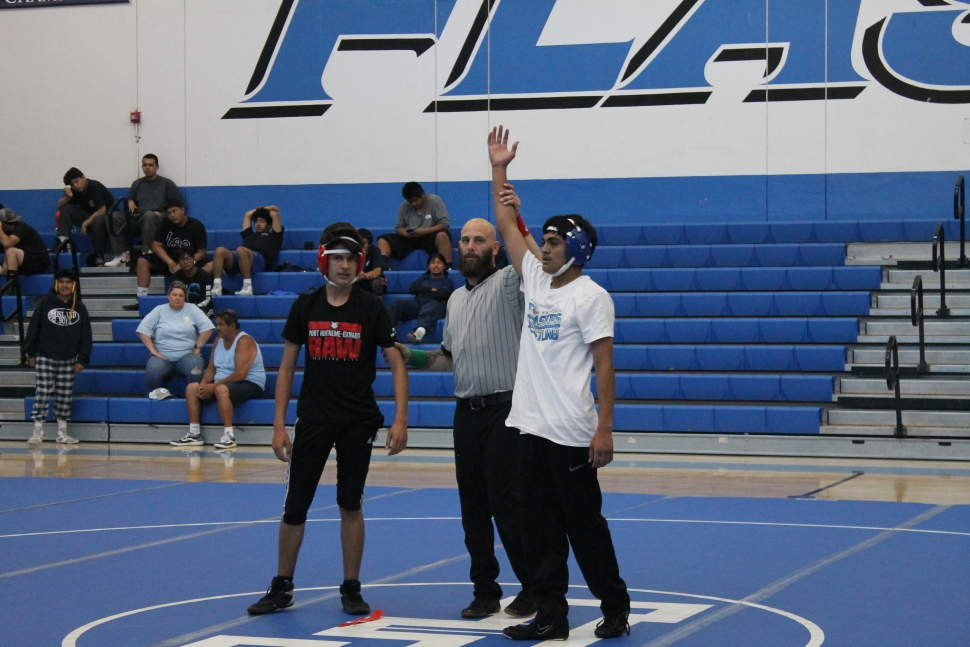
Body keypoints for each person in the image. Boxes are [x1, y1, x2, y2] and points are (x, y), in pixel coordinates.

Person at [489, 126, 630, 641]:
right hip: (529, 427)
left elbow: (605, 367)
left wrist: (605, 430)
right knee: (539, 531)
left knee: (585, 529)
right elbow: (507, 222)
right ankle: (551, 616)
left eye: (551, 243)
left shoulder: (591, 297)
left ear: (574, 249)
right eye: (542, 241)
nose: (542, 249)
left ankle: (613, 605)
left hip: (572, 431)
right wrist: (500, 168)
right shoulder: (535, 278)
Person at [247, 223, 409, 617]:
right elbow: (286, 368)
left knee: (350, 502)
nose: (344, 265)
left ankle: (351, 586)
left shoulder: (371, 307)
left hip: (357, 420)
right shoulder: (306, 305)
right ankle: (282, 585)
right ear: (324, 260)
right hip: (315, 418)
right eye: (337, 257)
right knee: (295, 505)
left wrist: (401, 419)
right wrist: (279, 424)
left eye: (351, 258)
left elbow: (396, 361)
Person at [391, 208, 542, 619]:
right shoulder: (455, 299)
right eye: (465, 240)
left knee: (507, 504)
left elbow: (534, 263)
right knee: (472, 507)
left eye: (480, 241)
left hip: (505, 410)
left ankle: (532, 586)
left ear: (495, 247)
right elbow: (448, 358)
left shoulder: (511, 283)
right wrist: (413, 356)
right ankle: (485, 590)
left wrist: (513, 215)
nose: (470, 247)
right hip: (467, 414)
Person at [173, 309, 265, 450]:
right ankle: (194, 434)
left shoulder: (244, 341)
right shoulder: (218, 341)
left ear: (232, 326)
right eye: (217, 324)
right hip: (223, 383)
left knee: (221, 389)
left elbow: (241, 374)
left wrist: (214, 386)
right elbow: (211, 369)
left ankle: (229, 436)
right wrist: (203, 385)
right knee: (192, 388)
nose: (217, 328)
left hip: (250, 383)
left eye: (221, 325)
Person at [23, 268, 93, 445]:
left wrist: (82, 358)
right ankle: (37, 431)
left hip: (69, 359)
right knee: (43, 393)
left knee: (64, 396)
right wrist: (31, 353)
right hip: (45, 356)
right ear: (56, 284)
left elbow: (86, 336)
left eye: (68, 282)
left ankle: (62, 432)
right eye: (61, 282)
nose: (64, 285)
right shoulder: (45, 304)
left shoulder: (80, 307)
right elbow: (33, 329)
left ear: (73, 285)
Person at [135, 281, 214, 397]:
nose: (177, 298)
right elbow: (143, 330)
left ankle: (197, 400)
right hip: (163, 357)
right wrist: (153, 351)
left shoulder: (192, 309)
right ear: (168, 296)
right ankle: (151, 401)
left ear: (185, 297)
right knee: (152, 371)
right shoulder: (159, 310)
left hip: (187, 355)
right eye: (174, 295)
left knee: (196, 368)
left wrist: (197, 347)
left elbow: (208, 328)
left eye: (181, 295)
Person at [125, 197, 207, 309]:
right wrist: (170, 262)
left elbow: (201, 252)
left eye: (175, 211)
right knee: (142, 260)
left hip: (189, 261)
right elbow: (156, 245)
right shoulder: (165, 223)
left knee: (211, 264)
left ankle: (203, 295)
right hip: (169, 260)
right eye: (169, 213)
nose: (172, 215)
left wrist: (186, 262)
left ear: (182, 210)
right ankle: (140, 298)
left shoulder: (196, 225)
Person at [106, 154, 183, 267]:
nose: (147, 167)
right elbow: (131, 199)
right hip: (139, 217)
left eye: (150, 165)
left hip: (157, 218)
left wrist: (163, 214)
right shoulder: (137, 183)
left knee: (149, 215)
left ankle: (147, 254)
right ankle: (120, 255)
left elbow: (179, 206)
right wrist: (130, 200)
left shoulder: (167, 184)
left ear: (157, 167)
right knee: (113, 216)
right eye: (145, 165)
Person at [208, 206, 284, 296]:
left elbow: (274, 214)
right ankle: (217, 287)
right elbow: (247, 215)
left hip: (259, 261)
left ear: (269, 225)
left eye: (262, 221)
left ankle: (247, 287)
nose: (258, 224)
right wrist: (267, 207)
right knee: (219, 250)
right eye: (256, 221)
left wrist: (268, 210)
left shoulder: (274, 236)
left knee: (241, 250)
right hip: (242, 258)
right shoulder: (249, 235)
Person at [377, 182, 452, 268]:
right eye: (410, 201)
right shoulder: (404, 206)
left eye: (415, 200)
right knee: (383, 239)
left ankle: (447, 267)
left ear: (422, 194)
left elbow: (444, 224)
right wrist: (405, 233)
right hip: (411, 238)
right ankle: (383, 265)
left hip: (430, 236)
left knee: (443, 236)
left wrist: (424, 231)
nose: (413, 204)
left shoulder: (435, 201)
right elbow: (399, 227)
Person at [55, 168, 116, 266]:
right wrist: (68, 197)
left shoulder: (94, 186)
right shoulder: (75, 190)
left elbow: (102, 210)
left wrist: (86, 223)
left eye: (77, 181)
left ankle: (98, 257)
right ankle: (63, 243)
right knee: (66, 208)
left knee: (97, 220)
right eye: (72, 184)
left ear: (83, 178)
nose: (75, 186)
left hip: (109, 222)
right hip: (92, 220)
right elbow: (59, 206)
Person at [388, 252, 453, 342]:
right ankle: (388, 331)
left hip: (435, 305)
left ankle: (418, 334)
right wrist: (433, 291)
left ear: (444, 266)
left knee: (429, 308)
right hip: (418, 304)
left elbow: (443, 294)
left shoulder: (447, 281)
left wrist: (423, 291)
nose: (436, 265)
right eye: (433, 262)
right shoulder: (423, 279)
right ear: (428, 266)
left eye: (439, 262)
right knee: (399, 303)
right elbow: (413, 288)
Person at [0, 208, 50, 277]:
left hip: (39, 261)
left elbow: (7, 243)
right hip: (22, 262)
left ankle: (13, 285)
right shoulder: (5, 233)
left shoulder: (22, 227)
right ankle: (10, 282)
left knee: (11, 251)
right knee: (4, 267)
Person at [170, 249, 213, 314]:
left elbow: (207, 299)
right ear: (178, 263)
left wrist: (192, 309)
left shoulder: (205, 276)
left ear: (194, 259)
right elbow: (174, 296)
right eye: (182, 259)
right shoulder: (175, 277)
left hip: (203, 309)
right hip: (183, 309)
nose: (186, 262)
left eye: (188, 258)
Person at [355, 228, 385, 295]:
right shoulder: (352, 252)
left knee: (376, 282)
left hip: (371, 281)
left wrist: (363, 275)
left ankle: (378, 303)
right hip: (357, 281)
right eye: (359, 243)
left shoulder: (375, 251)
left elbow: (377, 271)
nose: (361, 246)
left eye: (364, 243)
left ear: (369, 244)